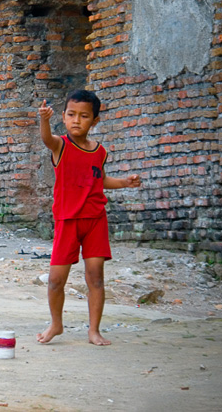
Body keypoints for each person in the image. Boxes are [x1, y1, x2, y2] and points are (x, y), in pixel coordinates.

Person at [36, 89, 141, 346]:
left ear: (95, 121)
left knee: (95, 277)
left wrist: (125, 183)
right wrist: (44, 120)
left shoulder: (100, 152)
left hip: (95, 220)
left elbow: (100, 180)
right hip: (67, 221)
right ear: (63, 116)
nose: (76, 120)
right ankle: (56, 324)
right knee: (55, 281)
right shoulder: (61, 145)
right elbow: (46, 138)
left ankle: (94, 330)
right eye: (71, 115)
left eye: (84, 116)